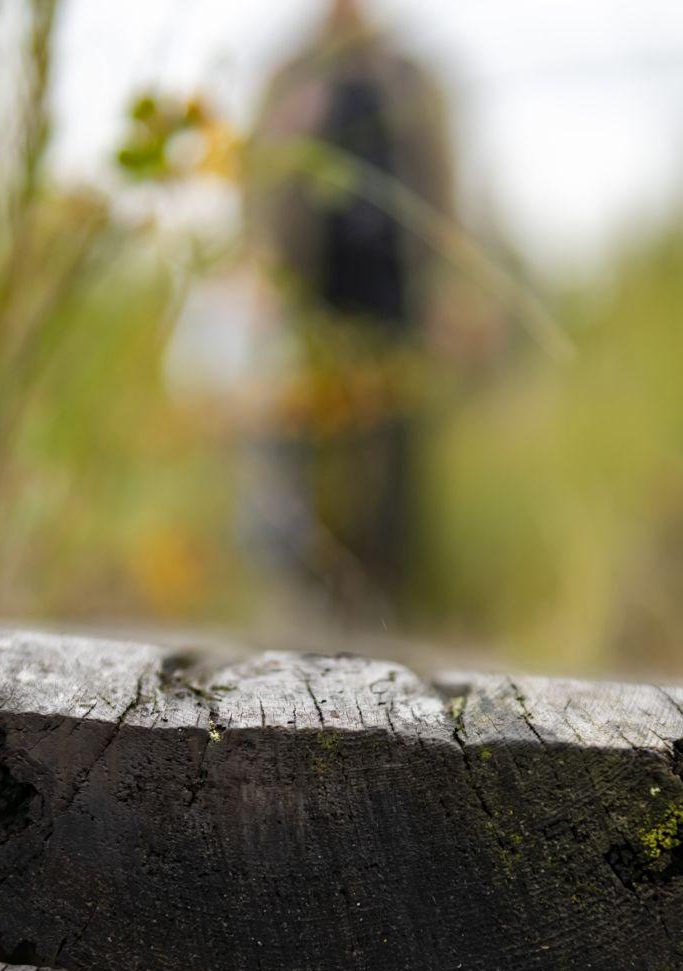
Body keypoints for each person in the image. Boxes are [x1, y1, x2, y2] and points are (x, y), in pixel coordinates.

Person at [240, 0, 454, 628]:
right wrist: (256, 264)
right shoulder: (291, 73)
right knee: (300, 433)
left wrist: (446, 286)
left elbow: (441, 182)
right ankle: (303, 594)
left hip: (393, 289)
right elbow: (260, 179)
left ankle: (387, 593)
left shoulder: (410, 75)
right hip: (310, 287)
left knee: (391, 444)